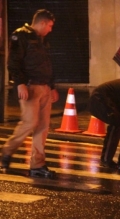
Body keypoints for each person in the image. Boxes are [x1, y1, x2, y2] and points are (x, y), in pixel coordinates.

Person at [1, 9, 59, 178]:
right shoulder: (21, 35)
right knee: (30, 122)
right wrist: (19, 84)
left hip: (45, 88)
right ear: (42, 23)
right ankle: (7, 150)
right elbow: (13, 62)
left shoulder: (42, 40)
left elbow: (48, 64)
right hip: (30, 87)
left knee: (43, 127)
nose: (51, 29)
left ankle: (38, 165)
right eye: (49, 25)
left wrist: (52, 86)